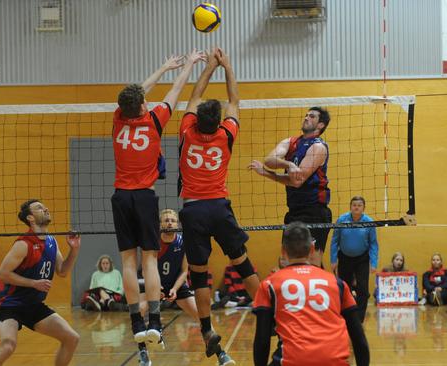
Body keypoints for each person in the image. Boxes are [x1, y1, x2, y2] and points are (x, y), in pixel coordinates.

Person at [111, 50, 205, 347]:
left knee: (128, 261)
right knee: (149, 259)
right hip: (145, 197)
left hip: (121, 196)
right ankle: (154, 320)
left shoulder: (117, 119)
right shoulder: (154, 120)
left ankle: (136, 322)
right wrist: (184, 66)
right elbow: (176, 90)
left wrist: (161, 67)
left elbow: (137, 93)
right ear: (142, 106)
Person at [178, 48, 258, 364]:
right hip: (219, 207)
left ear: (197, 119)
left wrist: (209, 68)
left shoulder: (185, 131)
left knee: (199, 276)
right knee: (243, 263)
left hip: (193, 209)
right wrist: (228, 68)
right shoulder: (227, 134)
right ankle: (271, 310)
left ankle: (207, 328)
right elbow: (234, 102)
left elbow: (194, 95)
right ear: (218, 121)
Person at [252, 222, 370, 366]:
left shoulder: (269, 285)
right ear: (312, 249)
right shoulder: (337, 283)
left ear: (283, 251)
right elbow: (359, 338)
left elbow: (262, 340)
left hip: (291, 361)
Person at [0, 200, 81, 366]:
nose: (46, 208)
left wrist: (74, 249)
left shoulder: (51, 241)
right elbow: (2, 274)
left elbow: (63, 271)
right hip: (10, 306)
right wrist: (33, 283)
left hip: (34, 305)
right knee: (8, 346)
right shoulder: (23, 244)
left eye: (44, 206)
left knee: (72, 338)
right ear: (30, 217)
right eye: (39, 208)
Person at [137, 209, 234, 366]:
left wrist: (175, 289)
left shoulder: (183, 242)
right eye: (166, 220)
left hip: (177, 284)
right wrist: (156, 288)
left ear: (177, 224)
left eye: (173, 220)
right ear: (160, 224)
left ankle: (220, 354)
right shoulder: (152, 241)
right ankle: (143, 354)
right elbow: (147, 268)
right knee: (139, 310)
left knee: (201, 315)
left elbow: (184, 271)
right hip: (153, 282)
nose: (169, 222)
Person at [248, 105, 332, 267]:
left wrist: (266, 174)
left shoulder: (318, 147)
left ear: (321, 125)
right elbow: (269, 160)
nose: (306, 117)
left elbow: (297, 181)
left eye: (312, 116)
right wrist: (289, 164)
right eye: (306, 115)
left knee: (312, 262)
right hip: (294, 211)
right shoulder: (291, 142)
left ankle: (319, 291)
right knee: (286, 261)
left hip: (315, 211)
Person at [329, 195, 379, 322]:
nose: (356, 208)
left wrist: (373, 263)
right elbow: (335, 241)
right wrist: (333, 260)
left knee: (363, 290)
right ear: (350, 207)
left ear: (363, 208)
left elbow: (373, 243)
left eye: (359, 206)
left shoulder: (369, 222)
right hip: (344, 258)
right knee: (344, 289)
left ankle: (359, 319)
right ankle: (345, 316)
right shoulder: (342, 220)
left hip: (362, 259)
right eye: (354, 205)